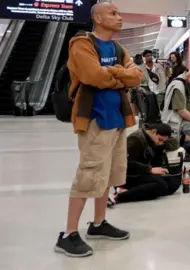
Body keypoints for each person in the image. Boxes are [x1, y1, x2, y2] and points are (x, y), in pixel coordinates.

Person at [54, 2, 143, 257]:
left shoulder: (117, 47)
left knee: (107, 175)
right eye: (113, 13)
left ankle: (98, 223)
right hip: (94, 119)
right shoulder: (81, 43)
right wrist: (120, 75)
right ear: (98, 18)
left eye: (119, 12)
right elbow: (93, 76)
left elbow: (137, 76)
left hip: (117, 120)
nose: (119, 17)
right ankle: (69, 233)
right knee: (89, 174)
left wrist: (114, 73)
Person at [108, 123, 181, 206]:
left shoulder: (151, 140)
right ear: (154, 132)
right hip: (128, 175)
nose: (160, 143)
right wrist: (150, 169)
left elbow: (170, 148)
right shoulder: (135, 139)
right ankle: (119, 196)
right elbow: (126, 164)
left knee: (173, 183)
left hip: (141, 171)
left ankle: (136, 191)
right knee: (160, 185)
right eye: (160, 139)